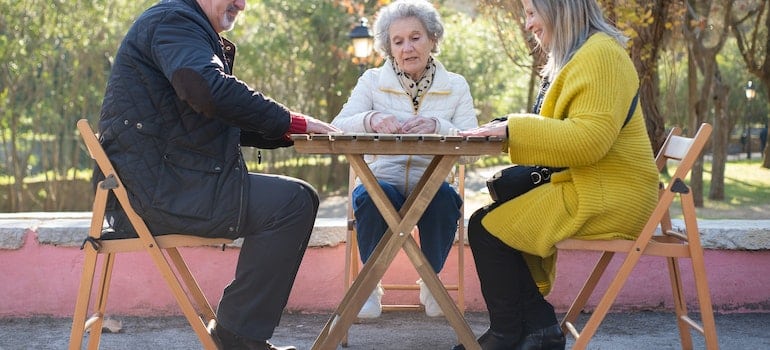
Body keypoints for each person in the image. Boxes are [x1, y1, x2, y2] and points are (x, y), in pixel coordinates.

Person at [94, 0, 340, 349]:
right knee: (293, 203)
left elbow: (214, 114)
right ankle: (237, 337)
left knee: (294, 199)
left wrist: (291, 131)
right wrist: (289, 121)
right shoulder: (175, 21)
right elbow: (207, 89)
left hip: (158, 185)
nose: (241, 3)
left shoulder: (182, 25)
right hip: (154, 193)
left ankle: (237, 332)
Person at [452, 0, 659, 349]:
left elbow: (589, 141)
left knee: (488, 229)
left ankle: (517, 332)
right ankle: (536, 329)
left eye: (532, 12)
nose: (528, 23)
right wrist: (508, 128)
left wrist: (512, 131)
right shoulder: (585, 54)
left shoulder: (602, 55)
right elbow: (567, 131)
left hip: (610, 194)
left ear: (559, 8)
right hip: (595, 185)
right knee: (487, 222)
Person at [331, 0, 478, 319]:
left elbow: (473, 143)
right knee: (372, 194)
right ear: (389, 47)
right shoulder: (371, 81)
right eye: (398, 41)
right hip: (382, 182)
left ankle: (430, 281)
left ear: (433, 39)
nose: (407, 47)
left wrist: (440, 127)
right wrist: (370, 120)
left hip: (433, 185)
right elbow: (338, 126)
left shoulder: (455, 86)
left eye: (415, 37)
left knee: (443, 197)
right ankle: (369, 286)